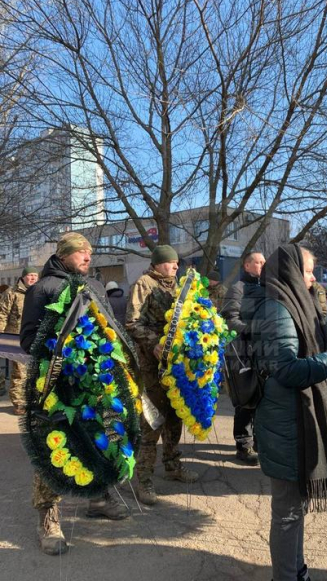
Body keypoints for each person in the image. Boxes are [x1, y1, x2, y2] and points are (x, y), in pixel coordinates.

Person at [242, 245, 327, 581]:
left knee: (293, 509)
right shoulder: (278, 310)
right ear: (290, 271)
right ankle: (287, 576)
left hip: (294, 419)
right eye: (307, 270)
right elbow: (287, 370)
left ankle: (295, 570)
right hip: (286, 424)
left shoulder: (293, 304)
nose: (312, 277)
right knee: (288, 512)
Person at [20, 233, 130, 556]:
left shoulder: (94, 286)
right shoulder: (41, 289)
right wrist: (62, 350)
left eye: (90, 252)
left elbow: (109, 327)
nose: (88, 256)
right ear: (65, 254)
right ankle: (49, 519)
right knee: (55, 445)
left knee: (99, 438)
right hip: (55, 384)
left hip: (95, 382)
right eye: (81, 251)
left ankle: (99, 496)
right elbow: (28, 340)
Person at [126, 245, 198, 506]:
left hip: (176, 364)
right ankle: (143, 477)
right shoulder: (143, 284)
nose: (175, 266)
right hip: (151, 364)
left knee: (175, 413)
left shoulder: (177, 286)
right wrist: (155, 342)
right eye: (170, 262)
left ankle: (172, 464)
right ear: (157, 264)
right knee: (152, 419)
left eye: (177, 262)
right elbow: (132, 323)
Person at [222, 251, 266, 466]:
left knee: (264, 400)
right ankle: (243, 446)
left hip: (265, 353)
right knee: (246, 401)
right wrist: (251, 330)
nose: (261, 265)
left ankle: (261, 442)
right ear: (247, 265)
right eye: (257, 262)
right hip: (243, 353)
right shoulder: (237, 288)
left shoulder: (268, 288)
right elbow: (229, 318)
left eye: (263, 262)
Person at [0, 267, 39, 414]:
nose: (33, 278)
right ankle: (19, 403)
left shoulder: (39, 292)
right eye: (30, 275)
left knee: (34, 371)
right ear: (23, 277)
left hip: (35, 336)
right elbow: (2, 313)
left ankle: (33, 401)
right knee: (20, 371)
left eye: (35, 275)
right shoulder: (11, 293)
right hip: (16, 337)